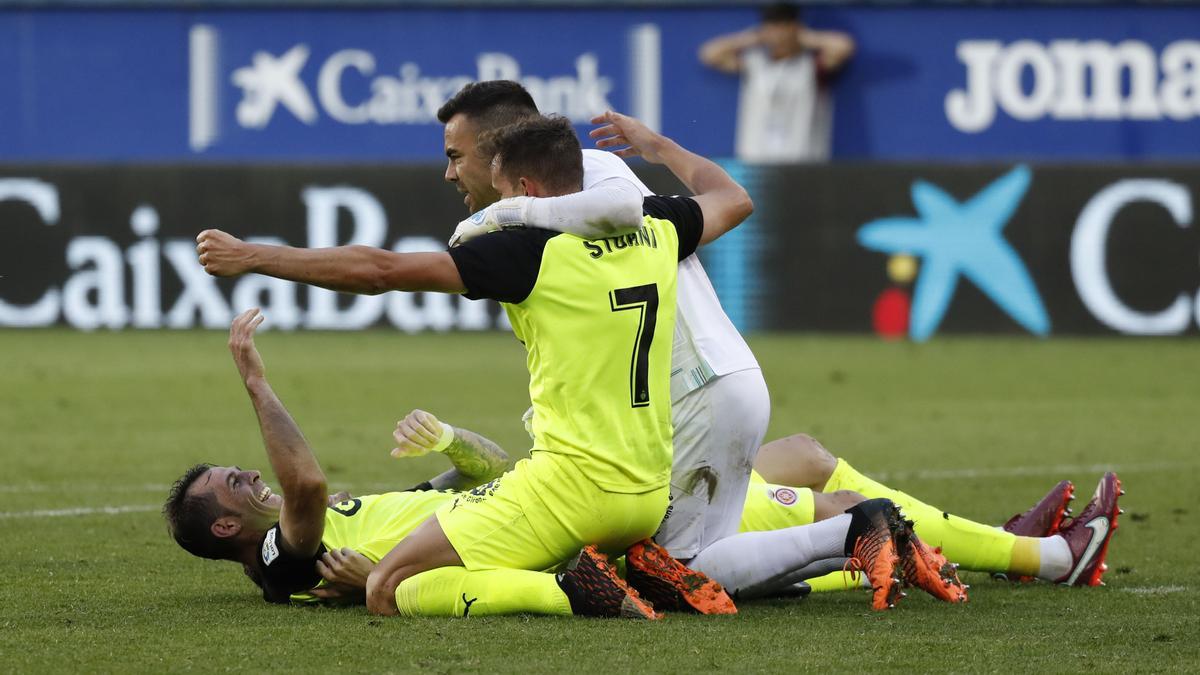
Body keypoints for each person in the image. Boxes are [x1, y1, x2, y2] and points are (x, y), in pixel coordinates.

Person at [194, 114, 756, 617]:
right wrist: (657, 147)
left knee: (386, 587)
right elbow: (731, 198)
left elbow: (380, 271)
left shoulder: (526, 253)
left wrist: (253, 257)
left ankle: (571, 592)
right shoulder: (657, 227)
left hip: (573, 491)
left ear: (526, 190)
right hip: (650, 490)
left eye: (504, 190)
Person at [441, 81, 771, 589]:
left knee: (677, 575)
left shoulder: (584, 174)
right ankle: (848, 542)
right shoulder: (565, 195)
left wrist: (502, 213)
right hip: (712, 380)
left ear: (499, 150)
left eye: (456, 156)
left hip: (693, 387)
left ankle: (850, 531)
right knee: (700, 560)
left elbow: (621, 211)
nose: (449, 172)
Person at [163, 308, 661, 618]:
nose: (251, 473)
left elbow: (489, 466)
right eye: (234, 481)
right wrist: (256, 383)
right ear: (227, 526)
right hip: (514, 523)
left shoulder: (352, 518)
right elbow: (307, 485)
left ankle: (603, 579)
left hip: (510, 513)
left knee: (389, 583)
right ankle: (574, 589)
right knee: (393, 590)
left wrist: (445, 437)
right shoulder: (280, 565)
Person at [699, 2, 855, 163]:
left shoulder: (812, 64)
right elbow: (709, 53)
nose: (778, 34)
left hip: (803, 164)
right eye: (772, 26)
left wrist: (804, 37)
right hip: (755, 164)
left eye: (784, 25)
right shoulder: (754, 63)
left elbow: (843, 47)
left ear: (796, 27)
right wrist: (754, 37)